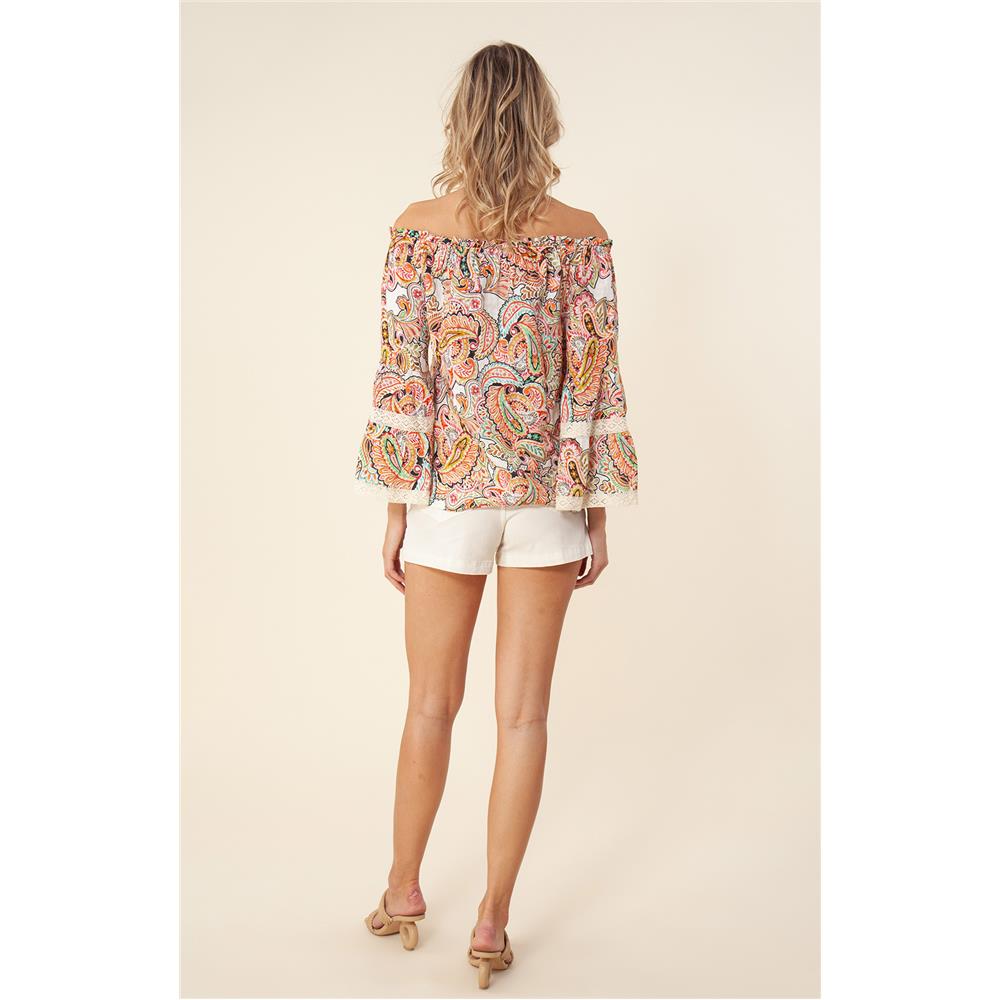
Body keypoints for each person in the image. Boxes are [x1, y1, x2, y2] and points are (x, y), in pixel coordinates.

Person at [353, 41, 639, 989]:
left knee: (429, 707)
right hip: (548, 503)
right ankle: (491, 922)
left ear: (462, 119)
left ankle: (403, 893)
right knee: (523, 719)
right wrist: (594, 512)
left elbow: (404, 377)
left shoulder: (418, 230)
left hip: (448, 496)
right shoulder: (583, 236)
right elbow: (592, 384)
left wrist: (397, 508)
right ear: (542, 119)